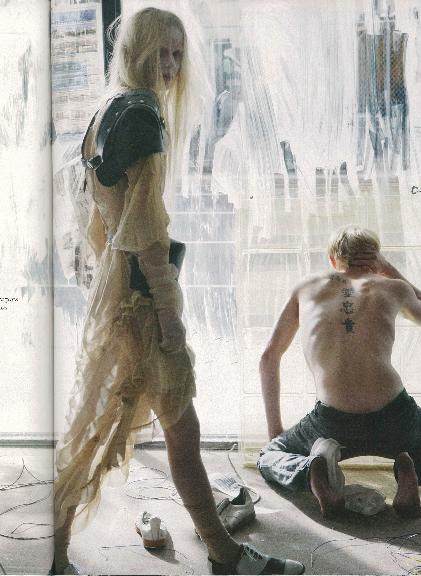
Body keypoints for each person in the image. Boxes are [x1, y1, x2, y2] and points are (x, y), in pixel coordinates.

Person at [53, 8, 304, 575]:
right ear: (137, 51)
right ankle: (224, 555)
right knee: (154, 431)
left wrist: (106, 281)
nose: (171, 65)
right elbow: (146, 234)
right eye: (161, 52)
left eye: (177, 54)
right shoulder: (142, 117)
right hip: (141, 299)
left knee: (111, 428)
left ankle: (63, 554)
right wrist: (170, 318)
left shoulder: (109, 109)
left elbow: (94, 217)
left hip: (119, 293)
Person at [257, 225, 421, 519]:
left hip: (333, 419)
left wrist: (275, 432)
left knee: (270, 456)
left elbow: (268, 357)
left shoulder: (306, 288)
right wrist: (390, 270)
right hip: (395, 414)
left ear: (333, 260)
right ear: (375, 259)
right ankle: (414, 468)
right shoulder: (394, 287)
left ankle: (310, 470)